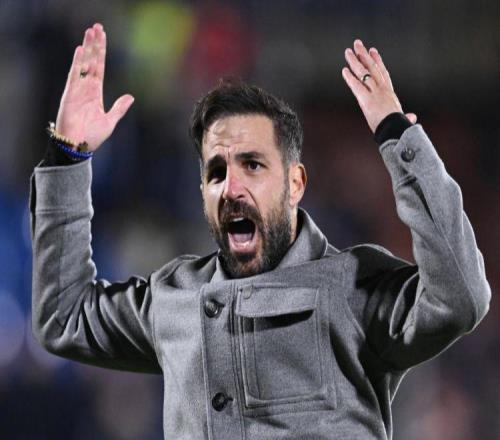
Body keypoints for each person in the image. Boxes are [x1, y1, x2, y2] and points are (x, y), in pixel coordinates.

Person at [31, 23, 491, 440]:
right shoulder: (173, 297)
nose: (231, 187)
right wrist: (69, 157)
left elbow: (460, 298)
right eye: (216, 172)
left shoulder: (354, 286)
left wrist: (399, 140)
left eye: (252, 165)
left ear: (295, 183)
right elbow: (63, 317)